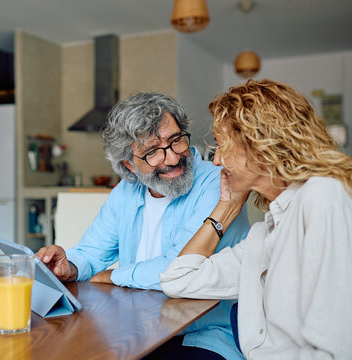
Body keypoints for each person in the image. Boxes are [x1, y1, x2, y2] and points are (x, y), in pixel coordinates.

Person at [37, 92, 251, 360]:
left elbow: (179, 267)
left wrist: (114, 275)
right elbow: (93, 250)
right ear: (129, 163)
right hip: (137, 329)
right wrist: (70, 265)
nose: (172, 158)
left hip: (203, 334)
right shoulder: (125, 192)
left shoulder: (216, 183)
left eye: (176, 141)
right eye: (152, 152)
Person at [160, 79, 352, 359]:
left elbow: (335, 348)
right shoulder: (265, 234)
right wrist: (226, 208)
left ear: (260, 142)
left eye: (221, 144)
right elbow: (178, 279)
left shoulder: (323, 197)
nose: (216, 161)